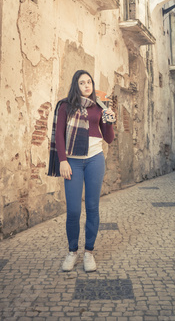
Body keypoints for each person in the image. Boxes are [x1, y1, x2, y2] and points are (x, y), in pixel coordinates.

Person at [48, 70, 115, 272]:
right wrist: (62, 161)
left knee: (93, 208)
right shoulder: (65, 106)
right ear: (75, 86)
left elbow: (109, 138)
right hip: (73, 163)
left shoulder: (99, 107)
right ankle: (72, 252)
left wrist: (110, 122)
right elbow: (59, 134)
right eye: (82, 82)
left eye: (89, 82)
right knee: (74, 210)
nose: (87, 85)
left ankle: (89, 253)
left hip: (95, 160)